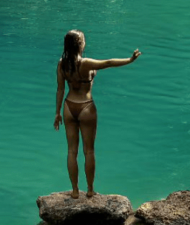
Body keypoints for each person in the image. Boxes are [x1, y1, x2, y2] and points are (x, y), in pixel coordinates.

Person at [54, 29, 141, 199]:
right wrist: (130, 60)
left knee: (72, 151)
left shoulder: (62, 64)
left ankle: (74, 191)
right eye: (83, 40)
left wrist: (57, 113)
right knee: (89, 151)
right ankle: (90, 190)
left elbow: (60, 89)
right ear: (80, 44)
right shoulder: (86, 63)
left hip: (69, 106)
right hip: (86, 107)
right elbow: (108, 62)